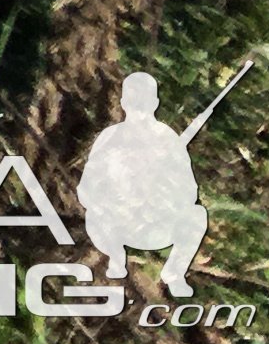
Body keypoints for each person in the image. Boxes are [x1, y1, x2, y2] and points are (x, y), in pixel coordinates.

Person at [80, 72, 210, 296]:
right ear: (123, 103)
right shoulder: (110, 138)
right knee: (94, 214)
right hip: (118, 226)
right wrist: (112, 201)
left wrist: (162, 195)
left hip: (157, 226)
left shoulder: (168, 139)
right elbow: (86, 188)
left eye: (144, 101)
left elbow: (189, 192)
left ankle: (174, 273)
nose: (139, 107)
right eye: (134, 100)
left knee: (197, 215)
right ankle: (116, 257)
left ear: (154, 103)